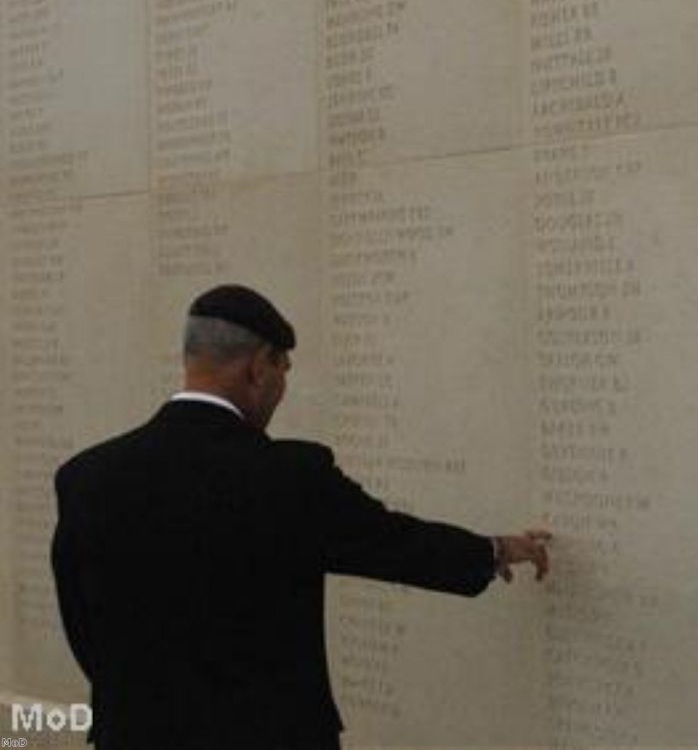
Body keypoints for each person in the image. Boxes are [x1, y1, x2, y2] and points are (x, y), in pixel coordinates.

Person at [51, 284, 551, 750]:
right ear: (259, 368)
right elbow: (391, 543)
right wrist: (495, 549)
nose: (280, 389)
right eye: (284, 370)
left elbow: (80, 620)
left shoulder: (86, 477)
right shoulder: (289, 475)